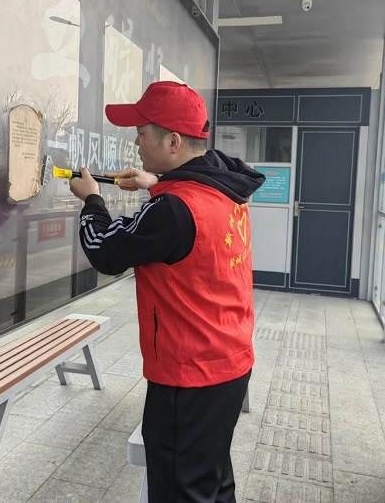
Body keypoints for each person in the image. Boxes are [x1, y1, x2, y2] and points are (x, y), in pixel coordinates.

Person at [68, 81, 265, 502]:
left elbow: (106, 251)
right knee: (212, 481)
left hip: (188, 376)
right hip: (228, 364)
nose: (135, 142)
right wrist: (155, 180)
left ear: (173, 142)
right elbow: (191, 195)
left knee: (179, 491)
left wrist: (92, 201)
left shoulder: (173, 209)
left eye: (141, 133)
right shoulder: (227, 190)